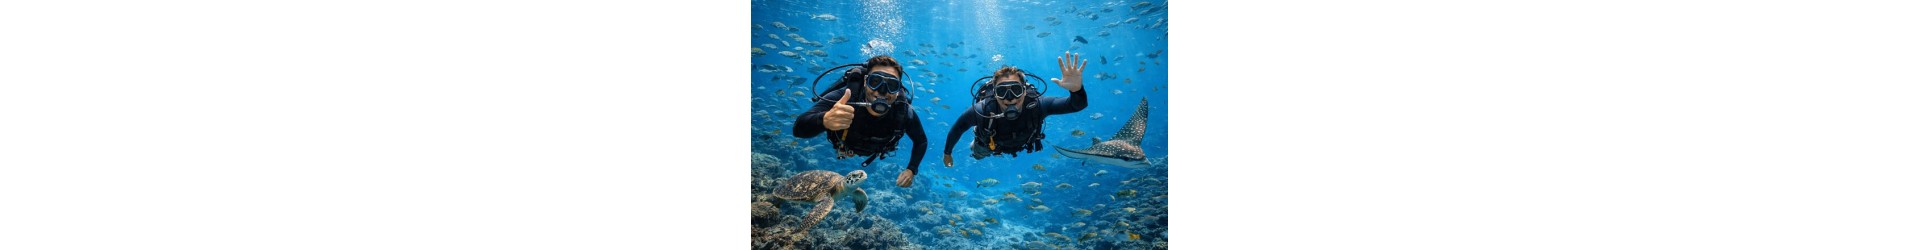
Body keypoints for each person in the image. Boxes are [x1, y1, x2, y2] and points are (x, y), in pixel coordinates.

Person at [792, 55, 929, 188]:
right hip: (843, 145)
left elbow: (921, 141)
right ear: (865, 81)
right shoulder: (844, 98)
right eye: (875, 81)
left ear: (898, 90)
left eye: (891, 84)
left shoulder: (903, 112)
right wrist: (824, 119)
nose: (882, 91)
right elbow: (798, 129)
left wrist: (912, 169)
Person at [942, 52, 1089, 167]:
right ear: (994, 94)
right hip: (989, 145)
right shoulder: (983, 110)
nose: (1010, 98)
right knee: (978, 153)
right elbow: (957, 128)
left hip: (1024, 142)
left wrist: (1077, 90)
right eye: (1002, 91)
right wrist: (947, 153)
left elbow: (1076, 105)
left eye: (1016, 90)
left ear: (1024, 90)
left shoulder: (1038, 105)